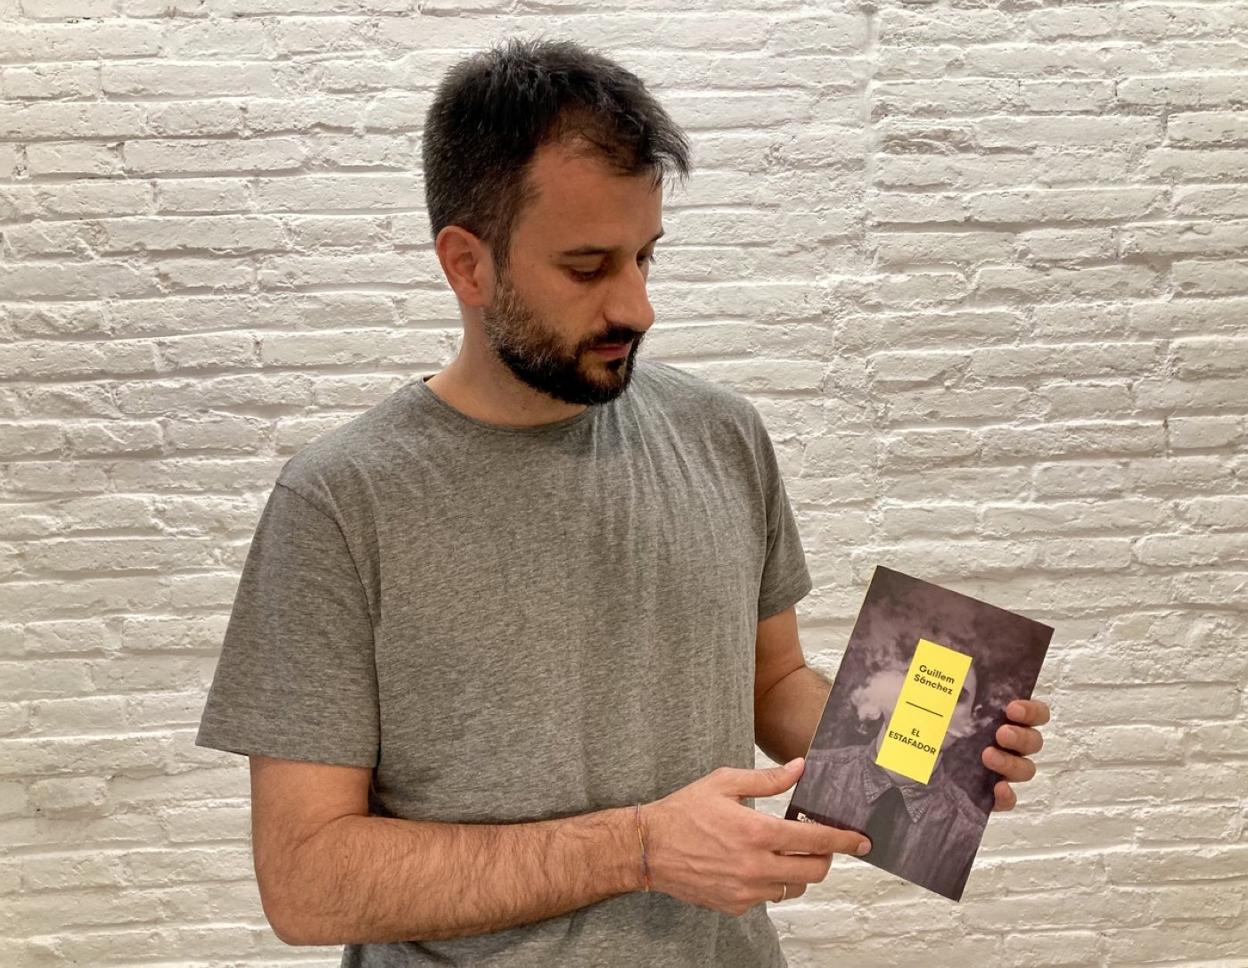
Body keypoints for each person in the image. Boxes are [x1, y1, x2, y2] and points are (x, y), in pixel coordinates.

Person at [194, 35, 1050, 968]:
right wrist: (641, 848)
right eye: (588, 267)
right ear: (467, 265)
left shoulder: (722, 434)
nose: (637, 307)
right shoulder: (340, 503)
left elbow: (770, 685)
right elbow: (307, 880)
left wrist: (929, 751)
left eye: (646, 257)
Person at [795, 663, 991, 900]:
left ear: (973, 716)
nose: (933, 705)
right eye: (922, 683)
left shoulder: (969, 837)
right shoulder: (811, 775)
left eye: (957, 697)